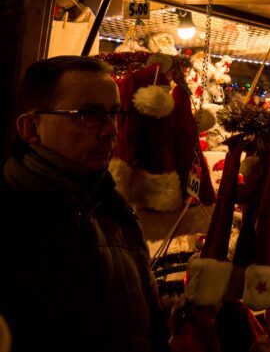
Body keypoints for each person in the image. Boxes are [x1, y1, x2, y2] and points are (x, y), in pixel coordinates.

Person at [0, 56, 170, 352]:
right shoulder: (9, 216)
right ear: (30, 128)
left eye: (114, 114)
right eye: (88, 114)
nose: (110, 130)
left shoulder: (115, 212)